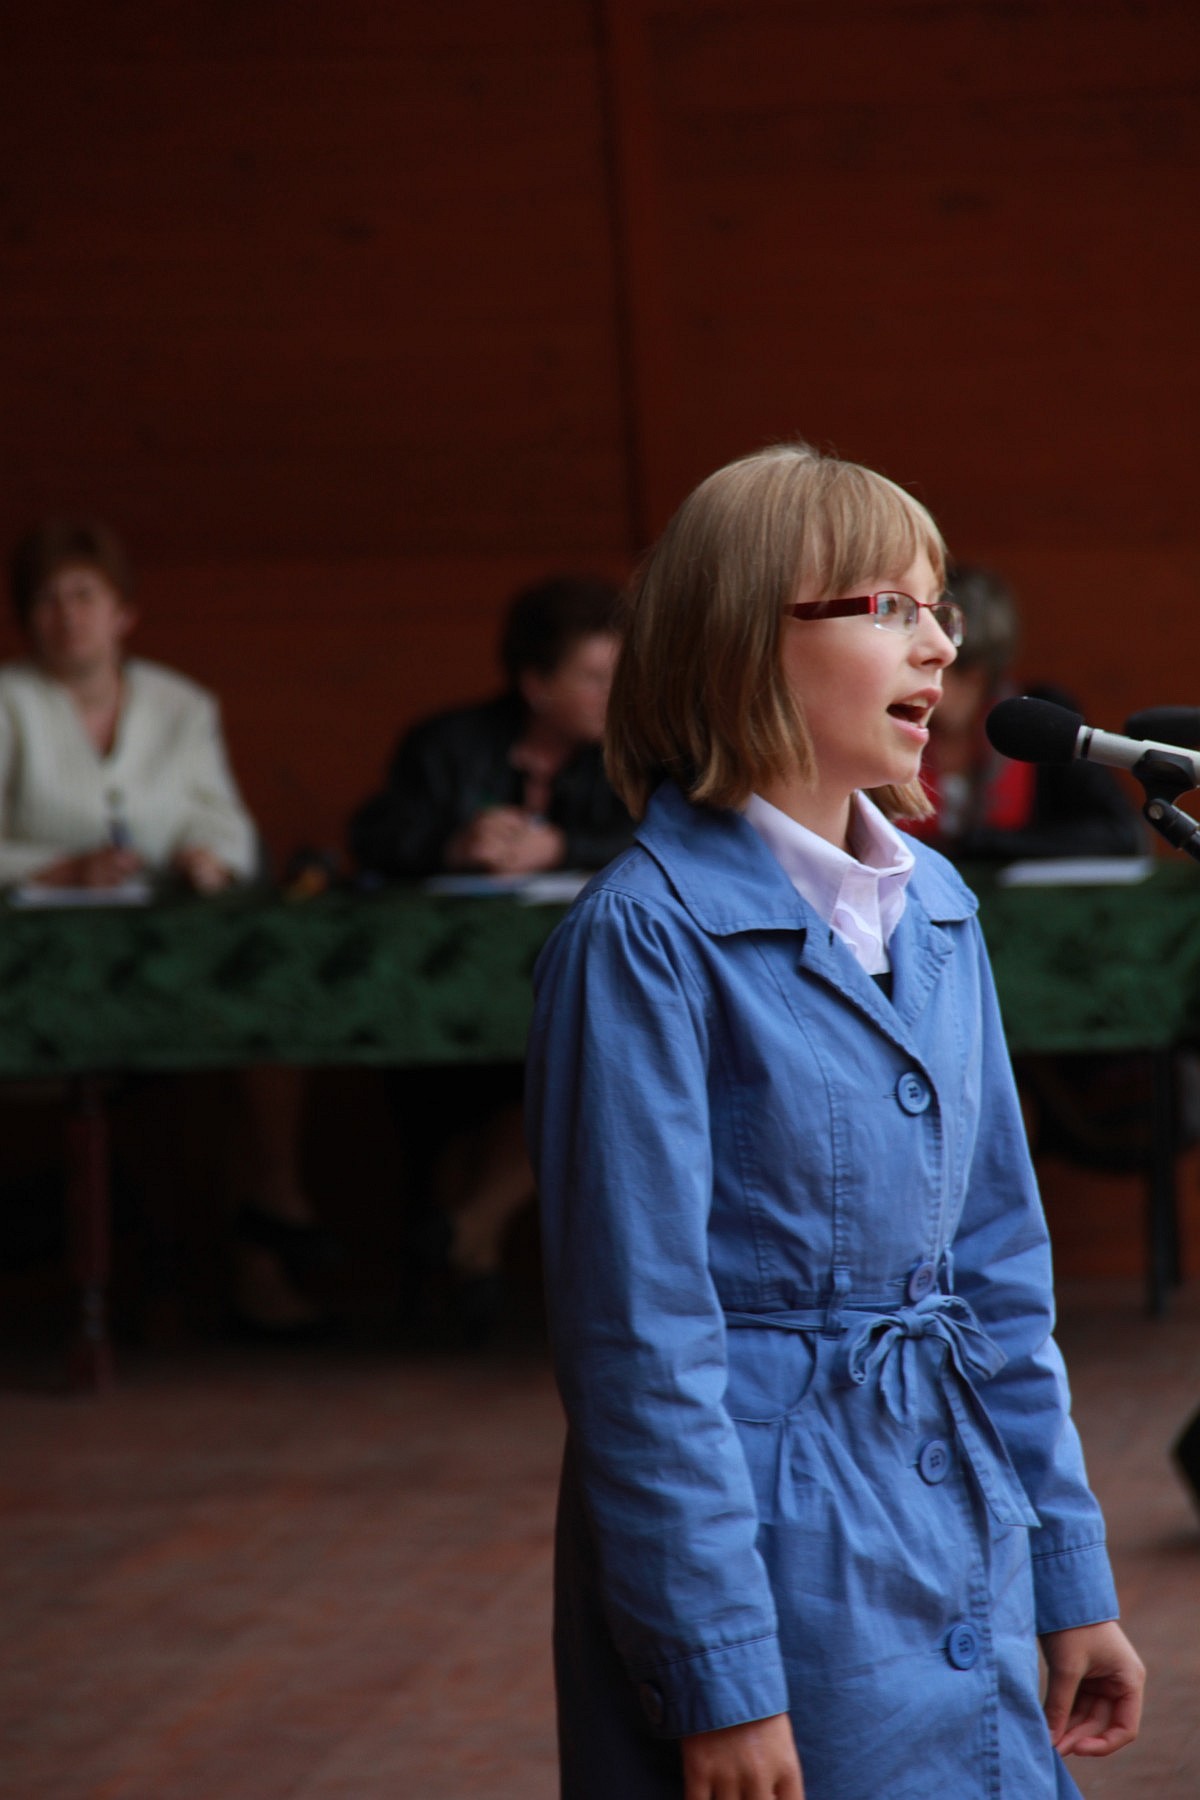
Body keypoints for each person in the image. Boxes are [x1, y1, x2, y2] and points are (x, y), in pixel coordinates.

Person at [525, 445, 1144, 1798]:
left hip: (958, 1533)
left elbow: (999, 1274)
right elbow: (639, 1344)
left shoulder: (937, 904)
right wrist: (722, 1679)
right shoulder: (643, 940)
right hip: (774, 1558)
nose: (942, 647)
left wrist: (1066, 1574)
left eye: (941, 609)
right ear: (744, 639)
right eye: (890, 607)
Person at [0, 519, 330, 1336]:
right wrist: (53, 870)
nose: (67, 615)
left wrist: (205, 858)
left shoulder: (181, 705)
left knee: (266, 1019)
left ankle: (265, 1235)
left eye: (85, 596)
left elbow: (227, 827)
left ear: (124, 613)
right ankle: (159, 1268)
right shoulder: (9, 701)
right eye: (47, 600)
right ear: (26, 617)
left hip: (167, 953)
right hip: (39, 969)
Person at [350, 573, 632, 1341]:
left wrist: (562, 847)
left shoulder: (636, 753)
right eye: (595, 678)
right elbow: (373, 836)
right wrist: (455, 845)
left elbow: (672, 835)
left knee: (580, 1061)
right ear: (537, 685)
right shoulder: (445, 745)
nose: (615, 695)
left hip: (571, 992)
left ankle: (464, 1230)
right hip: (437, 998)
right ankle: (469, 1248)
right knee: (479, 1081)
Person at [905, 563, 1143, 860]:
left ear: (983, 674)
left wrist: (985, 846)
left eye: (950, 667)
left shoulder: (1037, 725)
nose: (926, 682)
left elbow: (1121, 835)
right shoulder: (894, 724)